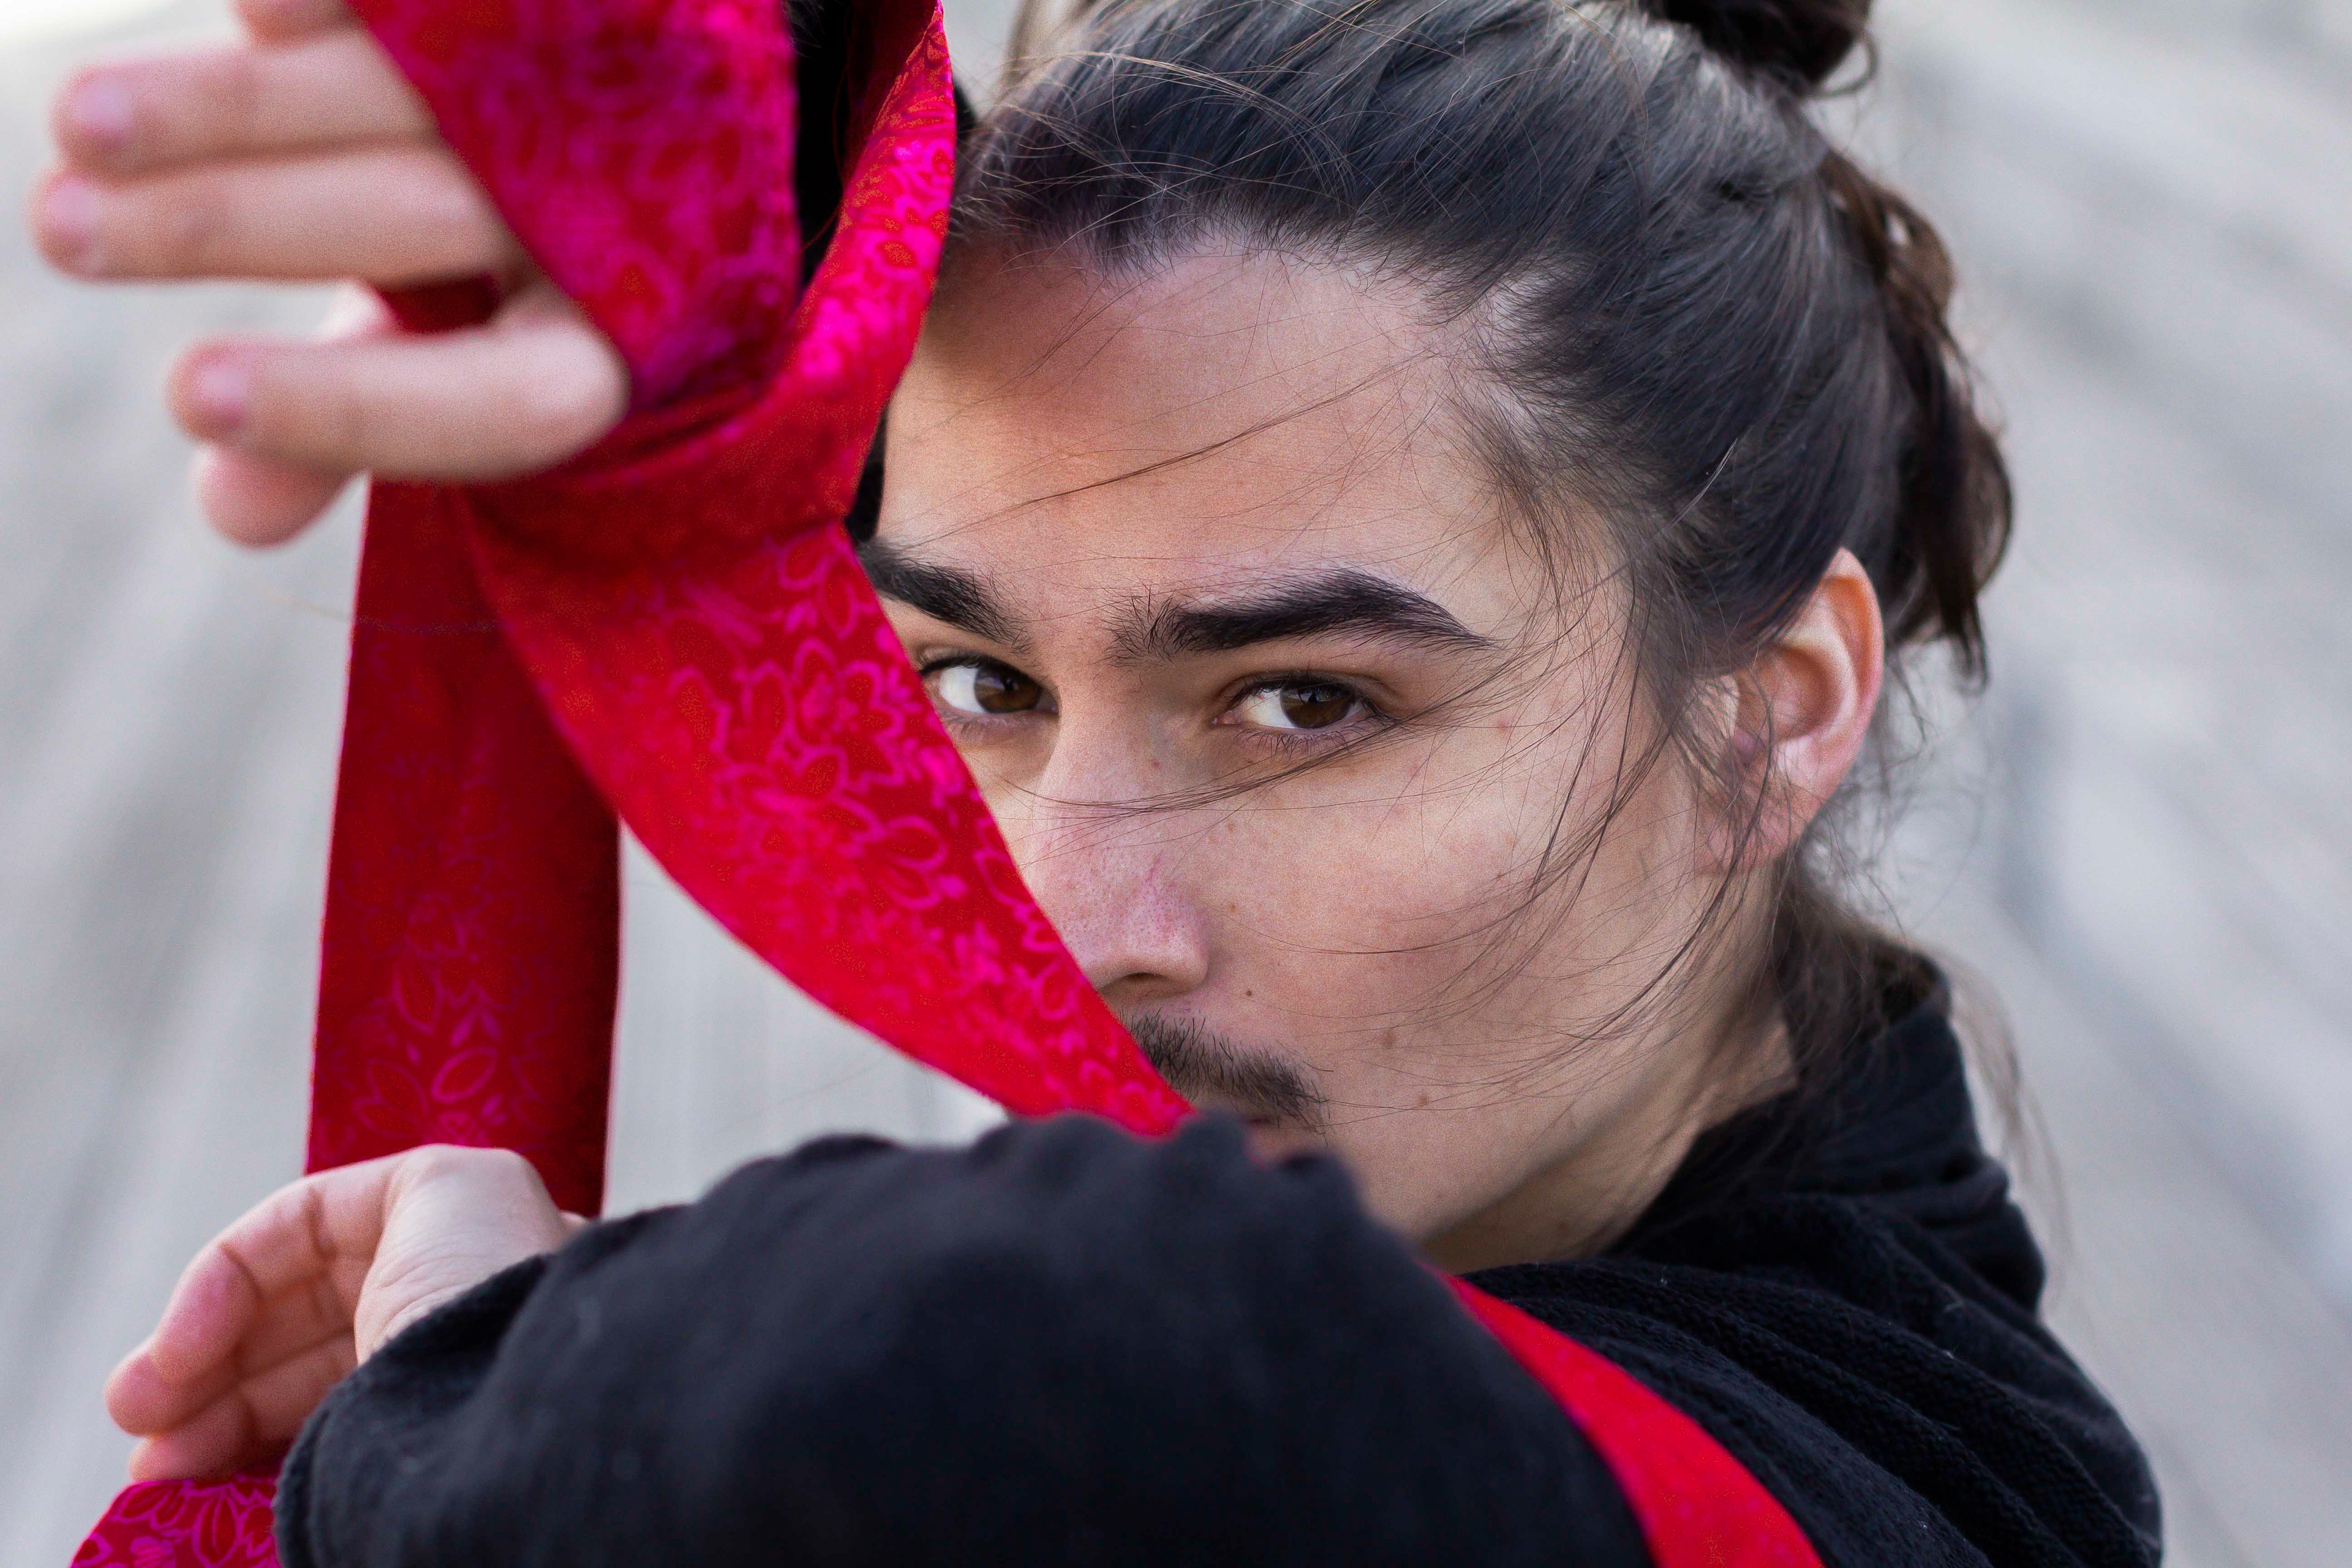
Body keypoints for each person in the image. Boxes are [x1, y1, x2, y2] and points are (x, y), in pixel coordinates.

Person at [34, 0, 2163, 1562]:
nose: (1068, 923)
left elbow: (1094, 1348)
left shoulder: (1920, 1487)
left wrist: (494, 1375)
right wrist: (726, 195)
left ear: (1774, 712)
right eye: (983, 682)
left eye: (1303, 704)